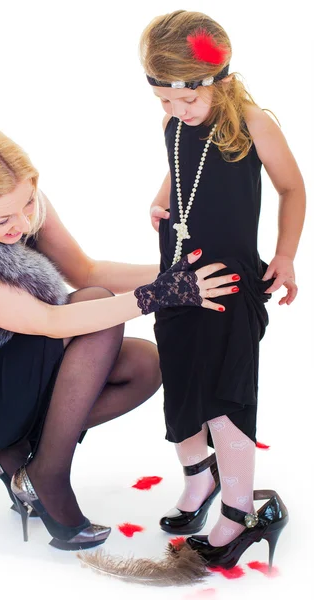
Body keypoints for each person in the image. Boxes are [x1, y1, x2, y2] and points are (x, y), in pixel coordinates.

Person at [0, 125, 239, 552]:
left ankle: (19, 454)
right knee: (94, 310)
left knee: (144, 364)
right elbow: (48, 322)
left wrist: (179, 272)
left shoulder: (17, 200)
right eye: (4, 220)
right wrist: (159, 296)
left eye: (29, 203)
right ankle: (48, 475)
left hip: (20, 370)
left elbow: (87, 271)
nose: (22, 222)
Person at [140, 9, 305, 569]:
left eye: (186, 101)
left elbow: (292, 189)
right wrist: (162, 199)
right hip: (177, 276)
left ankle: (239, 511)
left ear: (223, 81)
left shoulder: (253, 123)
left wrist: (284, 255)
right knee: (183, 386)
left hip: (231, 281)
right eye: (165, 101)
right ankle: (199, 479)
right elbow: (178, 169)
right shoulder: (173, 125)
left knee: (226, 398)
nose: (176, 111)